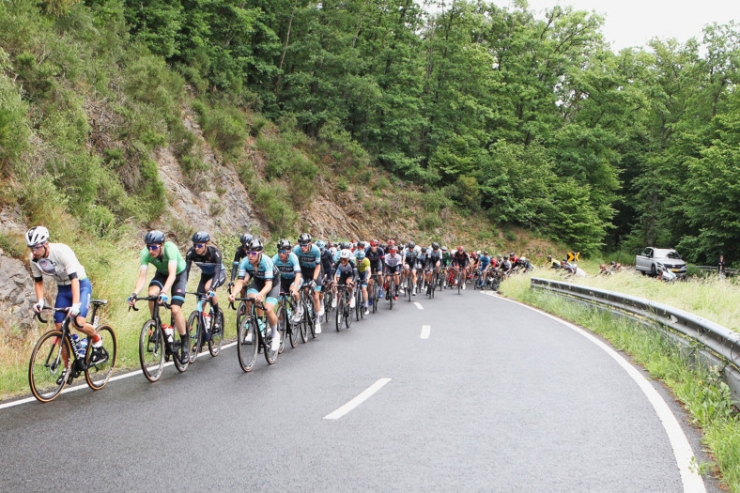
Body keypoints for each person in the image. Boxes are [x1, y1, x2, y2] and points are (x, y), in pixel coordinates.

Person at [27, 226, 106, 381]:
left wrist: (76, 305)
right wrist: (40, 301)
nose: (34, 251)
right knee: (59, 326)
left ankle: (97, 340)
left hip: (81, 285)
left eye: (36, 247)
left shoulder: (61, 251)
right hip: (63, 288)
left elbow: (74, 279)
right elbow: (38, 281)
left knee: (78, 322)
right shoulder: (34, 259)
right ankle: (67, 367)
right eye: (31, 248)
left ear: (45, 244)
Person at [128, 230, 189, 362]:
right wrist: (134, 294)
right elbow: (142, 278)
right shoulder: (145, 253)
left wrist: (164, 292)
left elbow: (172, 275)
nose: (151, 250)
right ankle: (156, 324)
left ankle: (185, 342)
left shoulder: (170, 249)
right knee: (151, 294)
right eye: (148, 247)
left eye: (154, 247)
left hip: (178, 275)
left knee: (175, 310)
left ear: (161, 245)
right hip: (161, 274)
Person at [228, 239, 281, 352]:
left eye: (253, 253)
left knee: (268, 309)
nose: (250, 256)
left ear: (260, 253)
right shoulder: (245, 262)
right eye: (248, 253)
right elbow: (240, 281)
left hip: (272, 283)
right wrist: (234, 293)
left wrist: (261, 294)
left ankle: (275, 334)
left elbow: (268, 284)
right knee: (250, 299)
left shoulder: (266, 261)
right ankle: (251, 329)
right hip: (258, 281)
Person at [184, 231, 225, 340]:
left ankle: (217, 315)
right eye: (195, 245)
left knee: (208, 289)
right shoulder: (191, 253)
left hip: (218, 274)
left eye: (199, 245)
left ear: (206, 244)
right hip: (205, 276)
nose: (197, 248)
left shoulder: (215, 253)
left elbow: (216, 273)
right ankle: (200, 336)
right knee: (200, 304)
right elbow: (186, 272)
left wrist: (211, 288)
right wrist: (183, 285)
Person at [293, 233, 323, 334]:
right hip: (304, 271)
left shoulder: (316, 250)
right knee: (305, 290)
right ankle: (304, 308)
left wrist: (314, 280)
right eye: (301, 245)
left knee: (315, 295)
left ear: (310, 244)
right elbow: (295, 265)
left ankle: (317, 321)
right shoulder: (296, 250)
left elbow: (318, 266)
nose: (302, 247)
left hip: (314, 272)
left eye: (305, 245)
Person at [272, 239, 303, 322]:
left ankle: (298, 307)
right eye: (279, 251)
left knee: (293, 290)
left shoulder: (293, 257)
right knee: (279, 299)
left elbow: (298, 275)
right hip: (283, 279)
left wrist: (295, 287)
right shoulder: (275, 258)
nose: (280, 254)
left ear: (288, 252)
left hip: (295, 278)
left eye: (283, 251)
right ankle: (282, 322)